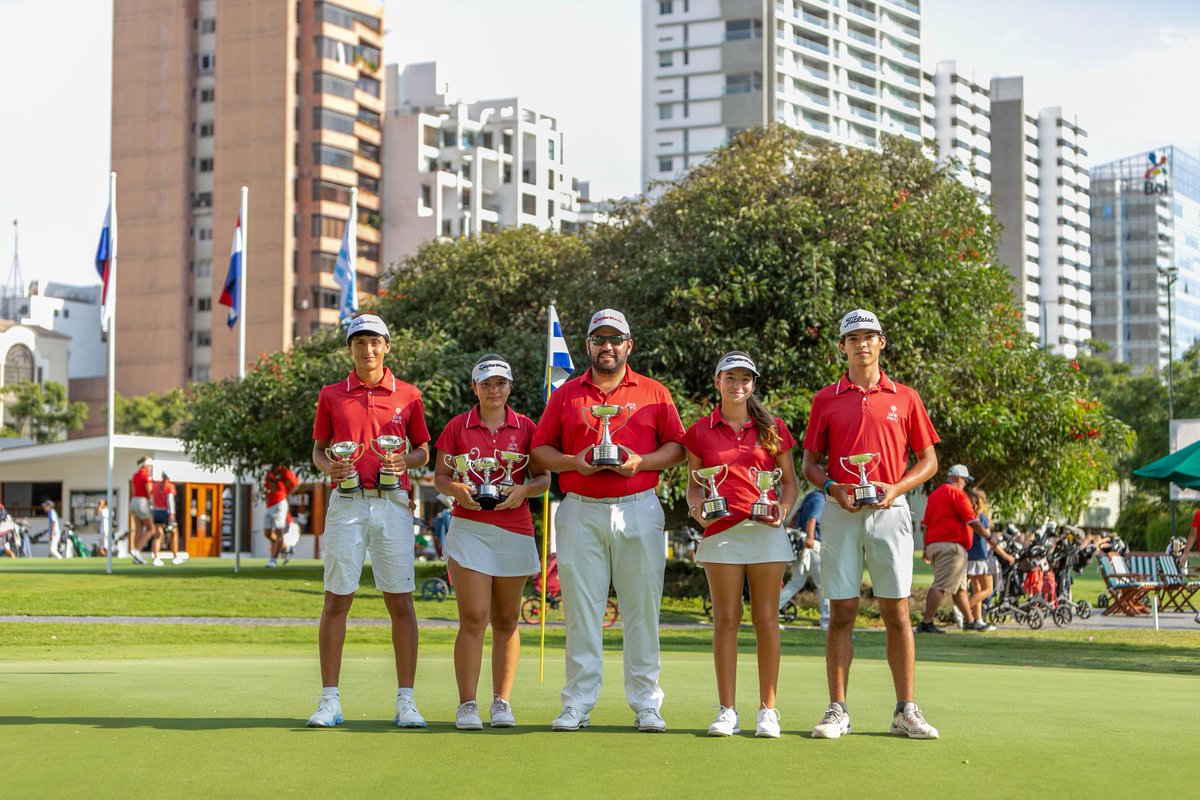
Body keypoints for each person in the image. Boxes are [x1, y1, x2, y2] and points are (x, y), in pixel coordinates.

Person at [532, 308, 686, 733]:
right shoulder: (566, 394)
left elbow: (677, 447)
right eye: (599, 339)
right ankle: (578, 703)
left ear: (628, 345)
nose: (607, 346)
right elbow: (539, 450)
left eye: (615, 339)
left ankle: (647, 703)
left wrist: (642, 462)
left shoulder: (654, 391)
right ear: (588, 345)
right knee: (582, 611)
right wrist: (572, 462)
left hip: (638, 505)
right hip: (580, 507)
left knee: (642, 610)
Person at [801, 308, 940, 740]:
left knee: (896, 611)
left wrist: (896, 489)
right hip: (841, 513)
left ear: (881, 342)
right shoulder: (825, 399)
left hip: (890, 513)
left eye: (869, 336)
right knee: (842, 611)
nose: (861, 344)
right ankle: (837, 709)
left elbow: (929, 461)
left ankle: (905, 710)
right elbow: (809, 464)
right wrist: (833, 487)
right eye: (853, 338)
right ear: (842, 346)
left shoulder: (906, 397)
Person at [306, 313, 431, 729]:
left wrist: (404, 459)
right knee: (337, 599)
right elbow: (319, 450)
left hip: (393, 502)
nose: (368, 349)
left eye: (375, 341)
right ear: (350, 349)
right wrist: (330, 467)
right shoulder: (331, 394)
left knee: (400, 600)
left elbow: (423, 451)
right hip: (347, 503)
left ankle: (406, 701)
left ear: (387, 346)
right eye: (359, 342)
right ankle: (329, 700)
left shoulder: (408, 394)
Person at [683, 351, 799, 738]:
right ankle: (727, 711)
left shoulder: (774, 428)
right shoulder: (699, 431)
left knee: (766, 620)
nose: (737, 385)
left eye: (744, 378)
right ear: (717, 382)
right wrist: (697, 510)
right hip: (721, 534)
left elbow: (789, 482)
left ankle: (768, 711)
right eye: (730, 378)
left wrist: (783, 510)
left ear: (753, 384)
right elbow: (694, 486)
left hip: (766, 532)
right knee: (725, 621)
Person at [433, 354, 550, 730]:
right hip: (470, 529)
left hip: (514, 529)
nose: (493, 390)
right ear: (475, 388)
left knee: (506, 619)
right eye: (486, 384)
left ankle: (502, 701)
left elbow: (543, 478)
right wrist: (457, 489)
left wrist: (524, 490)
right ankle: (467, 705)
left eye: (500, 383)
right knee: (473, 617)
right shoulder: (457, 426)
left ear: (510, 387)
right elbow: (440, 477)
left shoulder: (527, 427)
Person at [917, 465, 992, 633]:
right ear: (958, 478)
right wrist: (988, 535)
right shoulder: (957, 494)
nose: (965, 484)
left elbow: (926, 524)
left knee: (960, 588)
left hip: (936, 545)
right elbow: (971, 520)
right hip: (950, 547)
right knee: (940, 585)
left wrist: (926, 548)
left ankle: (970, 621)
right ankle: (926, 623)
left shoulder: (935, 495)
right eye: (965, 480)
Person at [780, 487, 830, 630]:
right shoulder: (820, 500)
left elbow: (795, 516)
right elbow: (812, 519)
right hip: (811, 545)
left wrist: (789, 535)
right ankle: (826, 621)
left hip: (800, 543)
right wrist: (810, 538)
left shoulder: (810, 497)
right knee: (823, 584)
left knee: (796, 582)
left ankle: (770, 613)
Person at [964, 487, 1013, 627]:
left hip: (969, 557)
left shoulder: (969, 516)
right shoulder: (982, 517)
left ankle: (978, 620)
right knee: (988, 589)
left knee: (977, 590)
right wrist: (1007, 557)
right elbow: (990, 540)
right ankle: (963, 610)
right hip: (980, 558)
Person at [263, 464, 300, 568]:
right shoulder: (270, 471)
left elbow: (295, 483)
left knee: (278, 531)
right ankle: (285, 548)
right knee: (267, 533)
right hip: (269, 504)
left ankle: (273, 560)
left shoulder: (283, 470)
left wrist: (285, 494)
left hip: (279, 503)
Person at [150, 472, 185, 566]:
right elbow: (170, 500)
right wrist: (172, 514)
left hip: (156, 512)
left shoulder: (155, 485)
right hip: (166, 512)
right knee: (174, 533)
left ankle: (156, 558)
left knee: (158, 534)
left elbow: (151, 500)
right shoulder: (170, 486)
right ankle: (175, 557)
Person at [129, 456, 157, 564]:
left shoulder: (135, 475)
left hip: (133, 501)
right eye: (150, 465)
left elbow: (133, 490)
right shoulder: (146, 475)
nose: (150, 468)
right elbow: (149, 492)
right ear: (145, 465)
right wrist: (153, 505)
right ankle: (136, 550)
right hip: (142, 502)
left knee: (139, 530)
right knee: (151, 529)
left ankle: (137, 557)